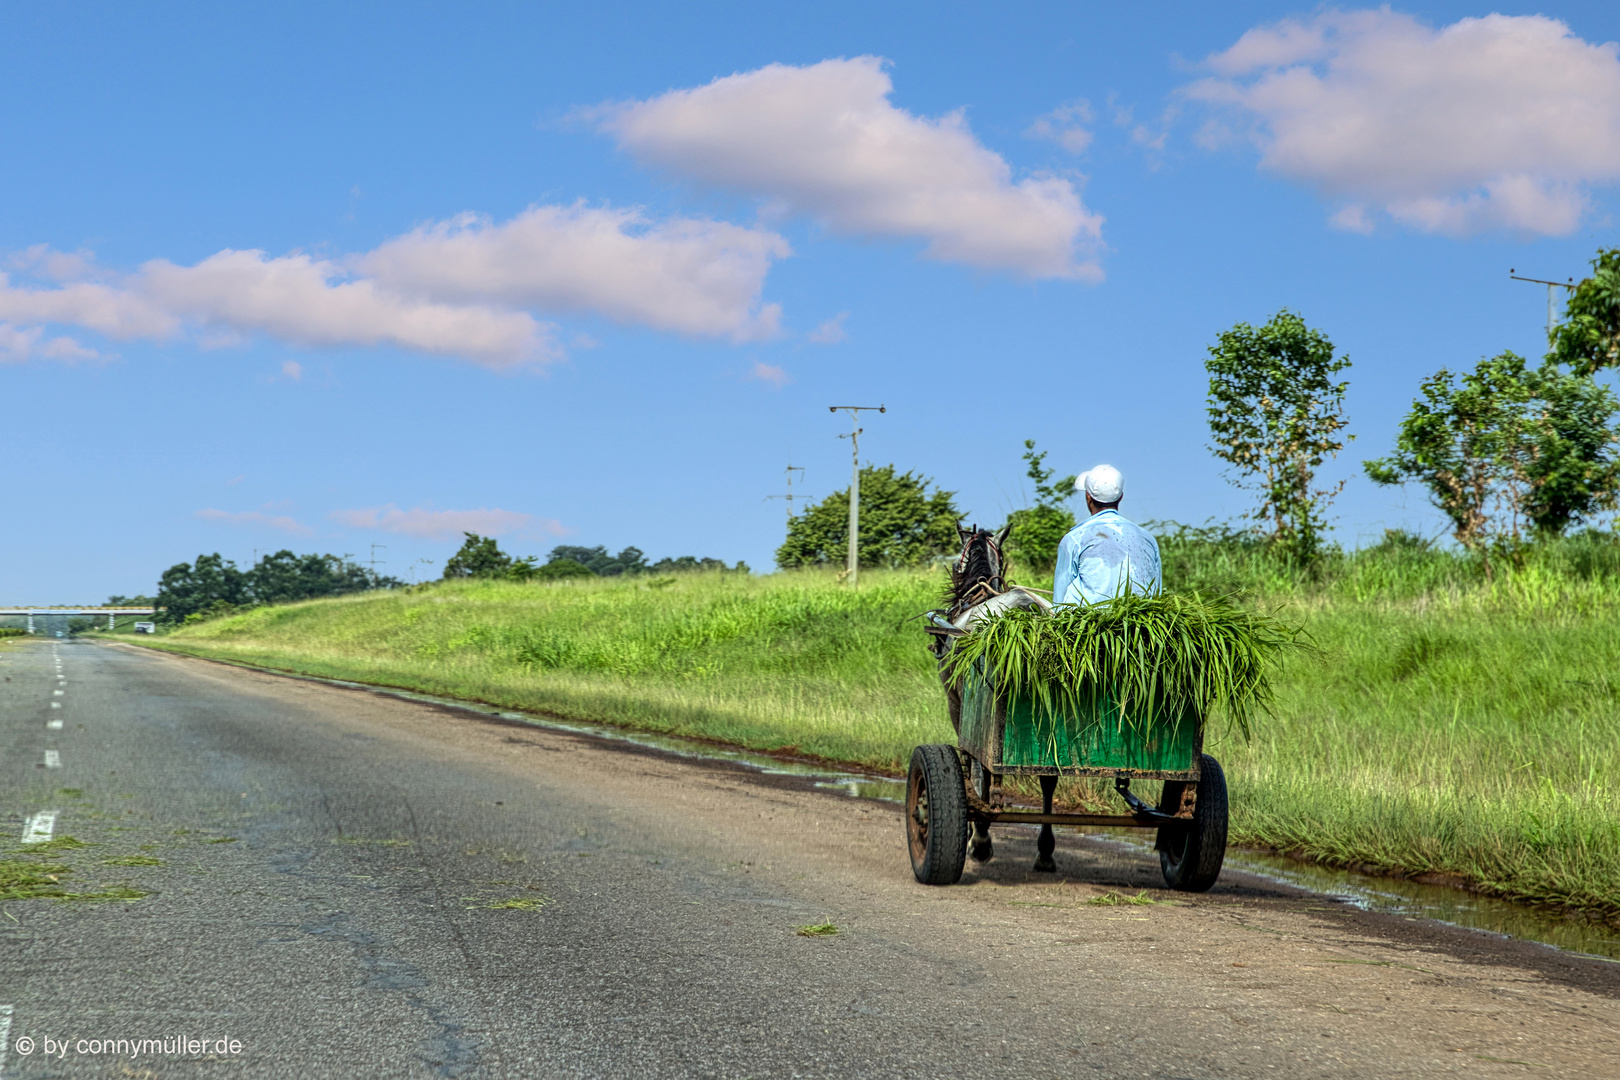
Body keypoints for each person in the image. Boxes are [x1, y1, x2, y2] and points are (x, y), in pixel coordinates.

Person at [1052, 463, 1162, 606]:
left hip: (1087, 624)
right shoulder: (1147, 538)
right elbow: (1157, 593)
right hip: (1143, 621)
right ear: (1120, 497)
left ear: (1088, 497)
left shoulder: (1075, 538)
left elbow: (1059, 600)